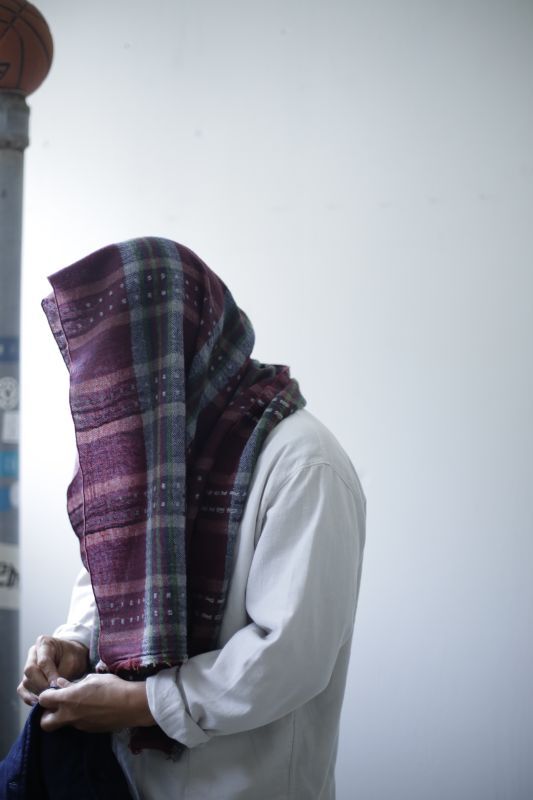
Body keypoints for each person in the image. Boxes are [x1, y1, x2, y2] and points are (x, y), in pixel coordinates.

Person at [18, 237, 366, 800]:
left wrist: (141, 703)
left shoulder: (304, 464)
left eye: (135, 361)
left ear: (184, 344)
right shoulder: (154, 443)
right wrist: (76, 644)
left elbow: (289, 657)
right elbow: (113, 567)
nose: (122, 383)